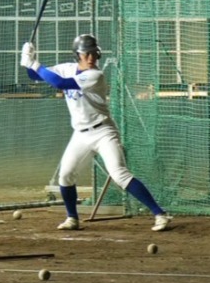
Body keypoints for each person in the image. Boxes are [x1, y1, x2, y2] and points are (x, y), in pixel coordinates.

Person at [21, 34, 174, 232]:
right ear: (78, 55)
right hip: (81, 134)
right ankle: (72, 218)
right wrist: (27, 59)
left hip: (103, 131)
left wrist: (34, 64)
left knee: (119, 174)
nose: (91, 58)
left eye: (94, 53)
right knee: (65, 176)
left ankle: (160, 214)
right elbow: (36, 76)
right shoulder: (66, 68)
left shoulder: (96, 75)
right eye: (87, 54)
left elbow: (60, 84)